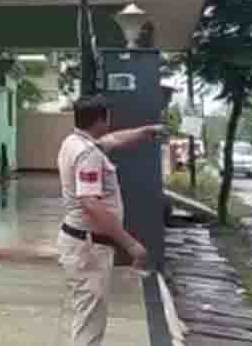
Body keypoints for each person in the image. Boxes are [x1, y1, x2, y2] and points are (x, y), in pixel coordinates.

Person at [57, 94, 166, 346]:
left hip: (82, 243)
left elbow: (113, 140)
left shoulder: (74, 142)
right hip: (88, 248)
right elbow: (90, 203)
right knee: (90, 324)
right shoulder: (88, 154)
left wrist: (145, 132)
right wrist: (130, 244)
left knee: (88, 317)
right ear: (101, 119)